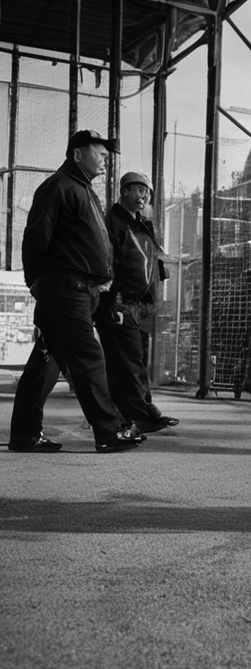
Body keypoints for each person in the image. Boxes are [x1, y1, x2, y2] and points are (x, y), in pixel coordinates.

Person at [7, 130, 145, 453]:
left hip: (75, 289)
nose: (105, 159)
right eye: (100, 153)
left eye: (107, 155)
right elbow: (35, 236)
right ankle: (109, 433)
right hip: (65, 288)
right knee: (89, 358)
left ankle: (25, 434)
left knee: (46, 360)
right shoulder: (59, 186)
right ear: (78, 154)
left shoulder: (82, 189)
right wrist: (35, 281)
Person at [95, 171, 179, 433]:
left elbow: (148, 261)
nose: (144, 196)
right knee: (129, 362)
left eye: (147, 192)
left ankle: (142, 411)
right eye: (139, 190)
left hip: (140, 305)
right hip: (121, 303)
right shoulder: (113, 222)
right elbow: (106, 264)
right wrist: (111, 303)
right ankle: (138, 416)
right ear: (124, 191)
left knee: (136, 360)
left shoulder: (142, 223)